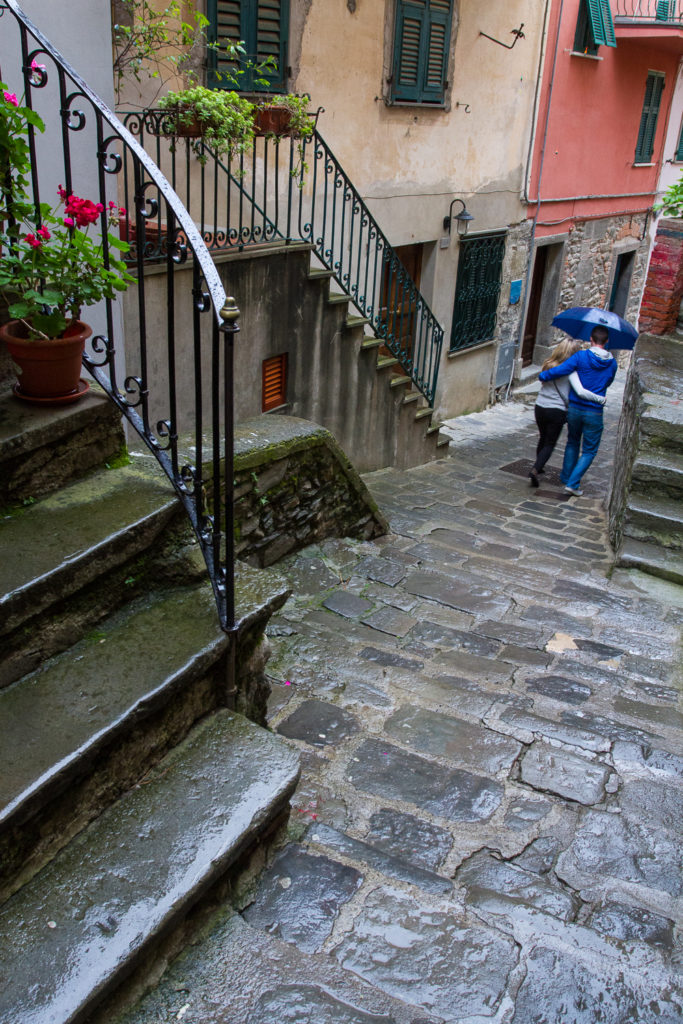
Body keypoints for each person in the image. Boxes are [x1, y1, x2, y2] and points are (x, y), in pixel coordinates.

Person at [538, 325, 617, 496]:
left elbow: (561, 370)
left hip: (574, 409)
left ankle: (567, 478)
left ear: (591, 339)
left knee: (572, 442)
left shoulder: (581, 356)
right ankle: (573, 483)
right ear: (607, 341)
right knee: (589, 450)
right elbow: (608, 382)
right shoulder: (612, 364)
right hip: (594, 412)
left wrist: (543, 376)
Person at [529, 339, 606, 487]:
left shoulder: (548, 364)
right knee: (550, 443)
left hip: (540, 406)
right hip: (557, 409)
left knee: (542, 438)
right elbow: (577, 390)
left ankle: (539, 465)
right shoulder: (571, 371)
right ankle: (535, 469)